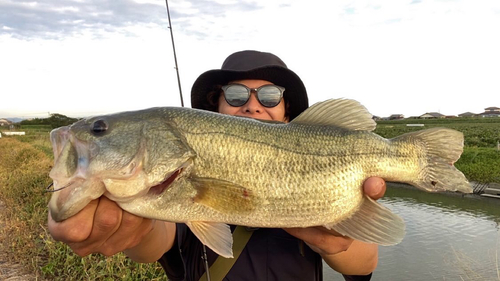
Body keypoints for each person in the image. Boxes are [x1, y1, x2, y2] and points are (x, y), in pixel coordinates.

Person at [48, 50, 387, 281]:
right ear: (215, 108)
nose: (253, 106)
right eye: (237, 95)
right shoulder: (170, 182)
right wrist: (133, 227)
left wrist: (335, 241)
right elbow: (154, 239)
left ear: (288, 112)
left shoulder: (338, 166)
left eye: (269, 96)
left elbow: (364, 264)